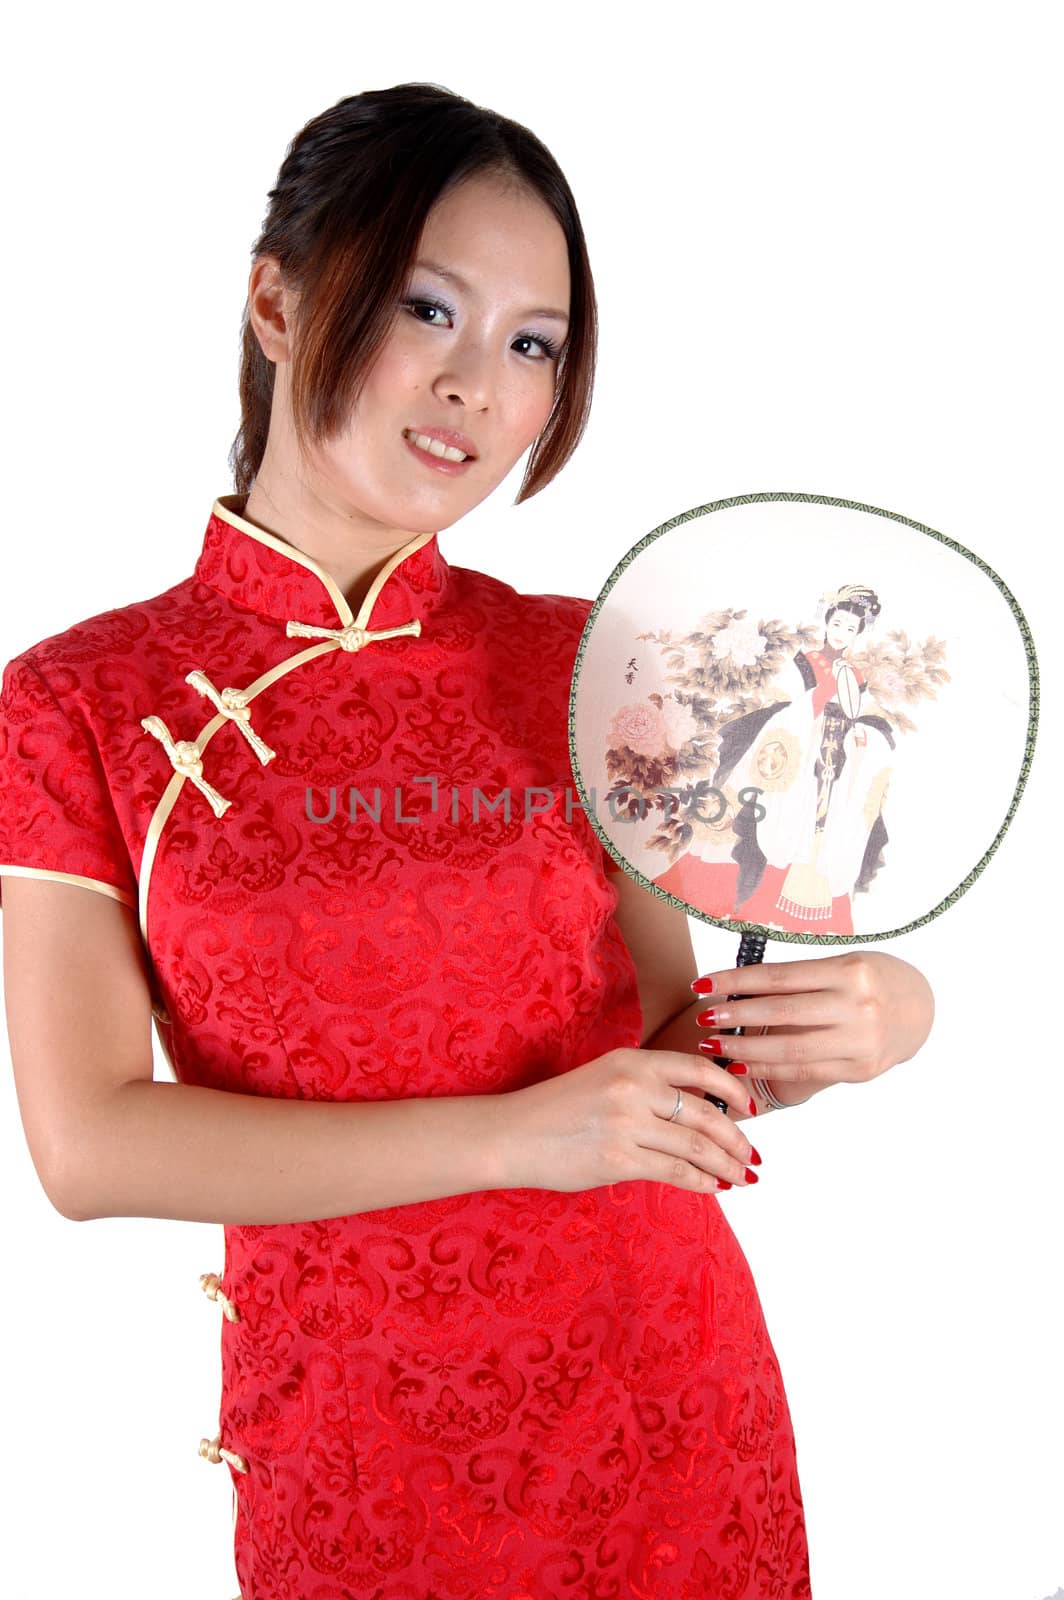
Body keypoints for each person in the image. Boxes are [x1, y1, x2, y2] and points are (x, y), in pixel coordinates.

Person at [0, 84, 934, 1599]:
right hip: (354, 1450)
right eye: (427, 307)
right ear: (278, 300)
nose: (474, 387)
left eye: (530, 344)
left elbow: (665, 1043)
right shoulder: (77, 705)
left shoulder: (593, 663)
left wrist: (853, 1024)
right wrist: (515, 1136)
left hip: (665, 1417)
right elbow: (90, 1144)